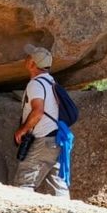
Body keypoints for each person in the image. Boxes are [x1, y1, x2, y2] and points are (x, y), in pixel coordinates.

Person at [11, 44, 69, 198]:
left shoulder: (36, 84)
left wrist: (22, 130)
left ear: (32, 64)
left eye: (29, 57)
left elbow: (38, 111)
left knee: (24, 181)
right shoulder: (51, 82)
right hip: (56, 140)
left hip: (43, 140)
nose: (26, 58)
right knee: (57, 184)